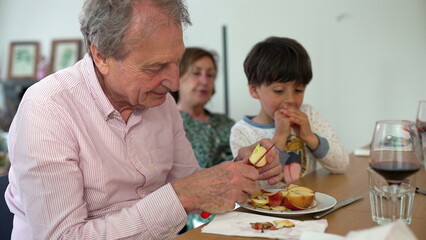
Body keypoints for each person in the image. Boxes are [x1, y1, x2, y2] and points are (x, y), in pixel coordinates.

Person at [4, 1, 283, 239]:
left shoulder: (160, 103)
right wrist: (180, 197)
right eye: (156, 67)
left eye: (177, 61)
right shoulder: (47, 109)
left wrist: (239, 172)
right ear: (101, 55)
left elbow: (194, 186)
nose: (173, 81)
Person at [230, 36, 349, 185]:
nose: (291, 99)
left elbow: (341, 165)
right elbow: (257, 185)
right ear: (254, 90)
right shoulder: (242, 132)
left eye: (298, 90)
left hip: (309, 203)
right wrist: (279, 138)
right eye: (279, 91)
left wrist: (310, 137)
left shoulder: (309, 115)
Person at [171, 47, 235, 231]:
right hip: (194, 218)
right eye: (196, 73)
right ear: (178, 76)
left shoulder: (227, 124)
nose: (204, 81)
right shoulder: (166, 125)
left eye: (211, 75)